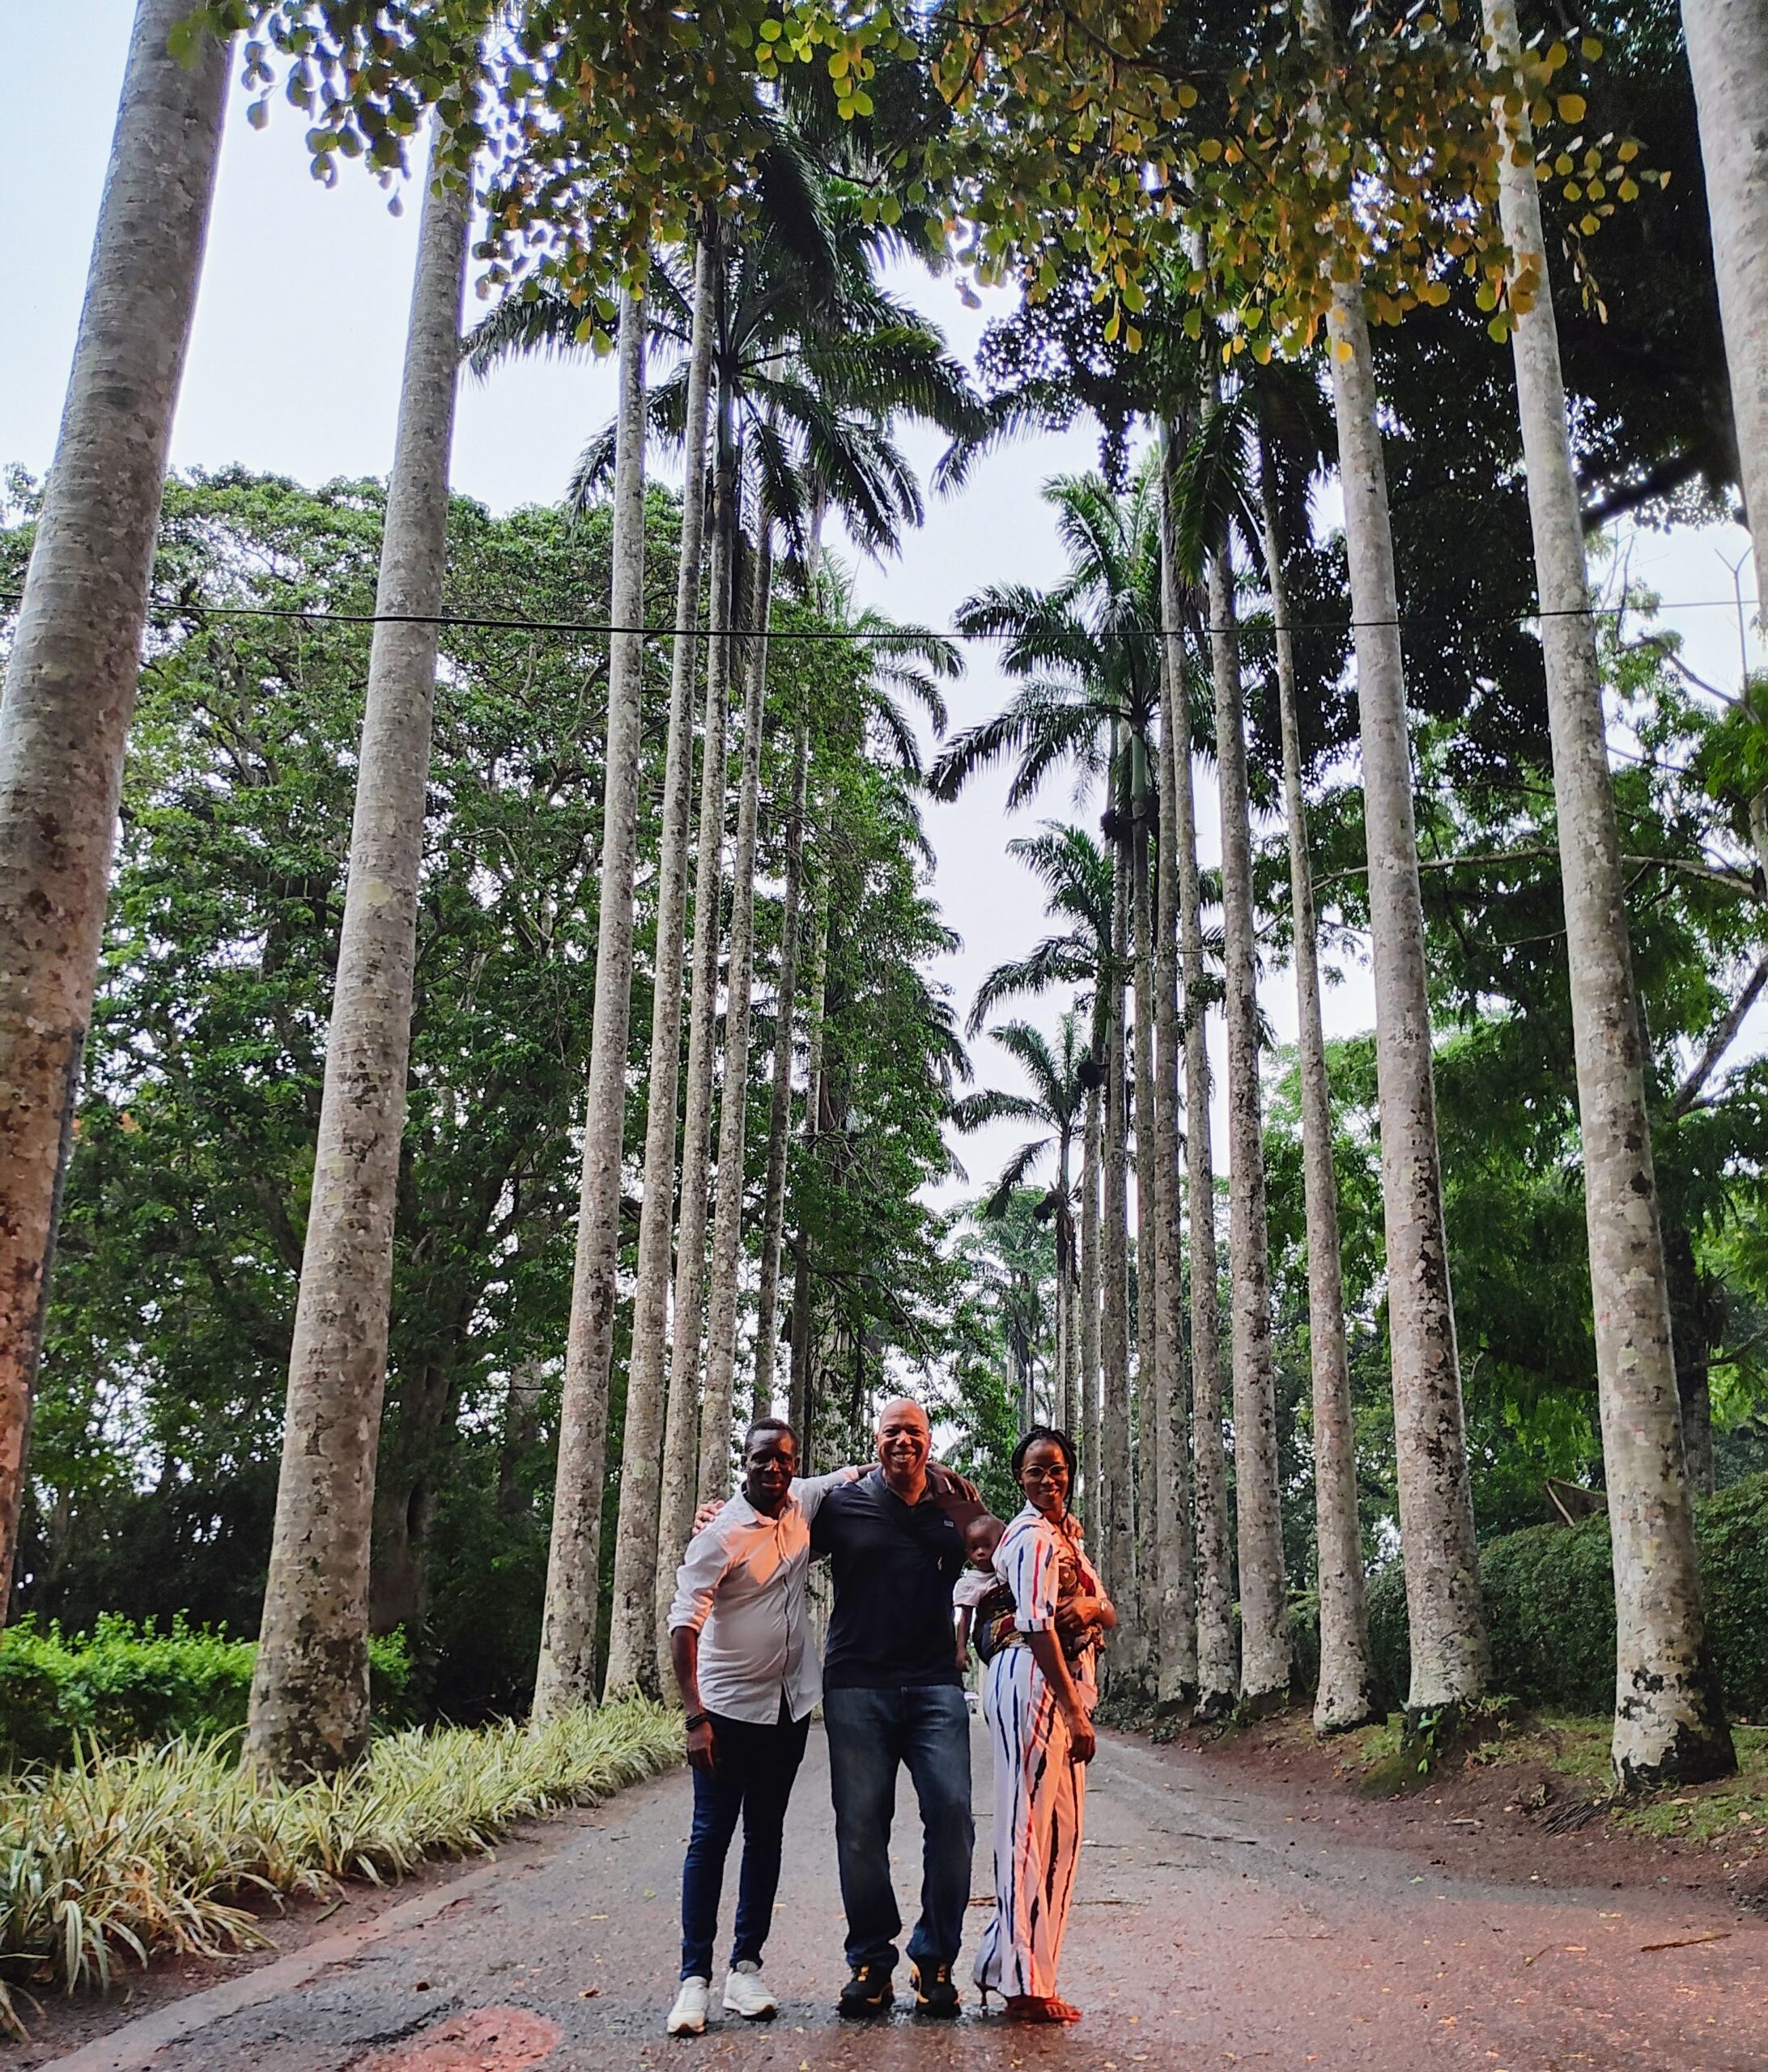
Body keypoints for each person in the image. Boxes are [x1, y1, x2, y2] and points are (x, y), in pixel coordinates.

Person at [663, 1419, 859, 2038]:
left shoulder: (803, 1502)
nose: (773, 1469)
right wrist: (695, 1717)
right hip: (725, 1712)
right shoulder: (718, 1535)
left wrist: (945, 1479)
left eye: (784, 1459)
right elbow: (683, 1626)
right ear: (742, 1463)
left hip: (789, 1708)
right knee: (710, 1839)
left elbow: (859, 1473)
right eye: (761, 1459)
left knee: (766, 1835)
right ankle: (693, 1980)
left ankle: (745, 1967)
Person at [810, 1396, 980, 2021]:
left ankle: (935, 1961)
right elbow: (775, 1537)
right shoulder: (842, 1504)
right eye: (892, 1432)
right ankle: (870, 1964)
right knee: (860, 1827)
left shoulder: (955, 1504)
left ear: (929, 1441)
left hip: (935, 1684)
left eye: (914, 1432)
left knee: (954, 1816)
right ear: (874, 1440)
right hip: (857, 1684)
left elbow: (995, 1570)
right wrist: (719, 1520)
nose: (902, 1441)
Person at [972, 1424, 1116, 2025]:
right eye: (1035, 1471)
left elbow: (1106, 1606)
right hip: (1031, 1683)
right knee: (1027, 1827)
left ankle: (1003, 1964)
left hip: (1059, 1685)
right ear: (1020, 1480)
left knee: (1063, 1832)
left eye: (1057, 1469)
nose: (1048, 1479)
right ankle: (1023, 1984)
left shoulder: (1067, 1537)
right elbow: (1035, 1624)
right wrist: (1075, 1710)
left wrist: (1085, 1605)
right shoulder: (1031, 1537)